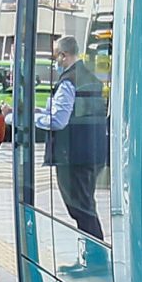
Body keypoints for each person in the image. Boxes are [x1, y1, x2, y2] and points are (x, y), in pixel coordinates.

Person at [41, 34, 109, 261]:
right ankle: (92, 256)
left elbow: (58, 120)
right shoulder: (88, 77)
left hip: (72, 154)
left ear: (63, 55)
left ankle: (95, 258)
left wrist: (25, 118)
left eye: (55, 57)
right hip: (91, 151)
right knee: (85, 206)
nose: (54, 62)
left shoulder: (68, 81)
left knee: (80, 208)